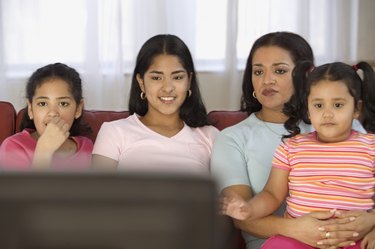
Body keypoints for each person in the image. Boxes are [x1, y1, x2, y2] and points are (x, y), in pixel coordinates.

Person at [210, 31, 375, 249]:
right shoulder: (233, 138)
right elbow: (243, 214)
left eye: (279, 70)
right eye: (258, 71)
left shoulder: (343, 126)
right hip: (284, 242)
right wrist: (295, 229)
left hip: (351, 237)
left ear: (305, 77)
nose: (266, 80)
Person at [92, 34, 218, 174]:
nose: (168, 88)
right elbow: (99, 192)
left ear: (189, 80)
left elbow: (227, 193)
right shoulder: (114, 132)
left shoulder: (210, 136)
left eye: (177, 77)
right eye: (156, 77)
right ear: (141, 82)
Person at [0, 63, 93, 170]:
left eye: (63, 104)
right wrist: (44, 150)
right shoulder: (13, 147)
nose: (53, 113)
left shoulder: (87, 148)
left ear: (78, 109)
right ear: (31, 110)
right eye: (43, 104)